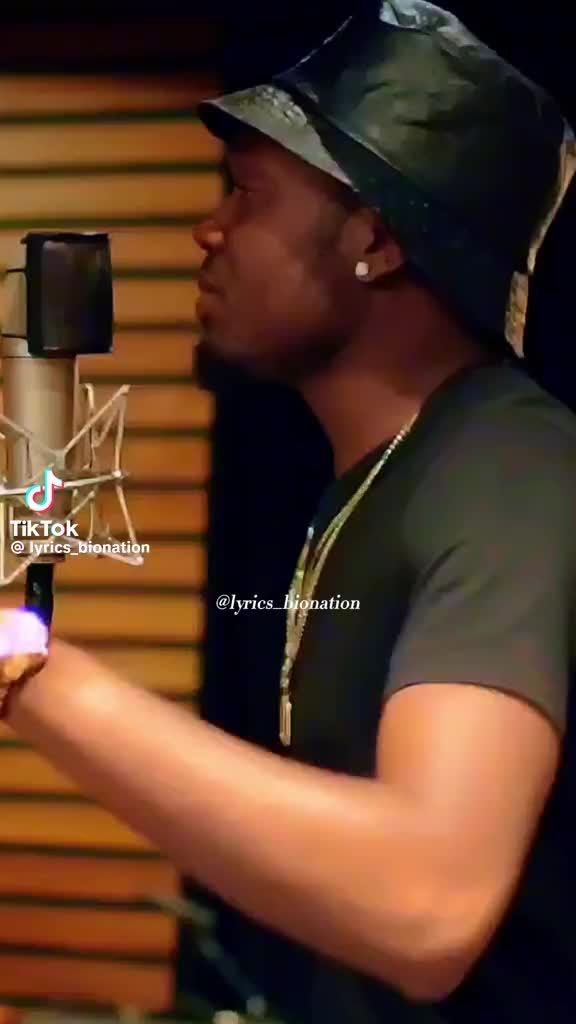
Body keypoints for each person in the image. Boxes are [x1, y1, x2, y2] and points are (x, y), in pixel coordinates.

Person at [2, 2, 576, 1021]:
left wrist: (32, 671)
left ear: (375, 239)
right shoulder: (390, 474)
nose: (209, 228)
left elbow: (429, 902)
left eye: (248, 195)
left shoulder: (512, 468)